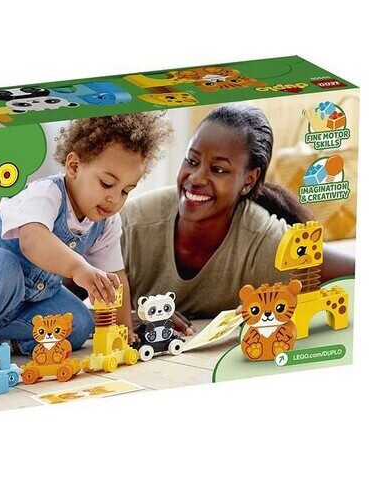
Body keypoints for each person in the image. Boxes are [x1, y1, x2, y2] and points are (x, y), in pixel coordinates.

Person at [0, 113, 171, 379]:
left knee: (79, 323)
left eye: (126, 190)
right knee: (2, 264)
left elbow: (116, 277)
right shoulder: (45, 194)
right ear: (74, 166)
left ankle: (1, 344)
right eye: (107, 183)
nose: (115, 198)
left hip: (25, 304)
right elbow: (33, 241)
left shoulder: (106, 222)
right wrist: (78, 269)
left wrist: (125, 332)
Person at [121, 103, 355, 332]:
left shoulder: (265, 241)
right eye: (191, 161)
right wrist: (130, 318)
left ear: (249, 180)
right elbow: (95, 308)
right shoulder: (131, 224)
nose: (196, 178)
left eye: (219, 170)